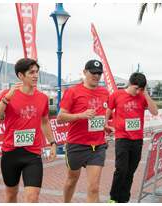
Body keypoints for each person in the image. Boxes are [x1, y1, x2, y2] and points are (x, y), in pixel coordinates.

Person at [0, 58, 57, 203]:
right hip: (11, 153)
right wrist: (6, 99)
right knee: (11, 195)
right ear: (21, 75)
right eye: (31, 72)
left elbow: (44, 122)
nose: (35, 75)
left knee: (32, 197)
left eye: (37, 72)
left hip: (32, 154)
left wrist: (52, 143)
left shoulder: (43, 98)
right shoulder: (7, 94)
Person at [57, 59, 109, 203]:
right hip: (76, 144)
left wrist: (105, 126)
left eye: (99, 73)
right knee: (71, 180)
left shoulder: (104, 92)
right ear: (85, 72)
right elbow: (60, 117)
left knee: (94, 187)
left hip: (97, 146)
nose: (96, 76)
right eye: (93, 73)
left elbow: (99, 116)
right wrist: (81, 115)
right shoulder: (73, 91)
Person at [105, 72, 158, 203]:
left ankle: (124, 200)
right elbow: (109, 109)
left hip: (137, 140)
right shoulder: (117, 95)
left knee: (130, 171)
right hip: (122, 138)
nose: (137, 91)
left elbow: (155, 112)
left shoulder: (142, 96)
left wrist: (145, 93)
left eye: (141, 89)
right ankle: (113, 199)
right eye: (136, 88)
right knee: (121, 169)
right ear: (130, 83)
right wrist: (105, 123)